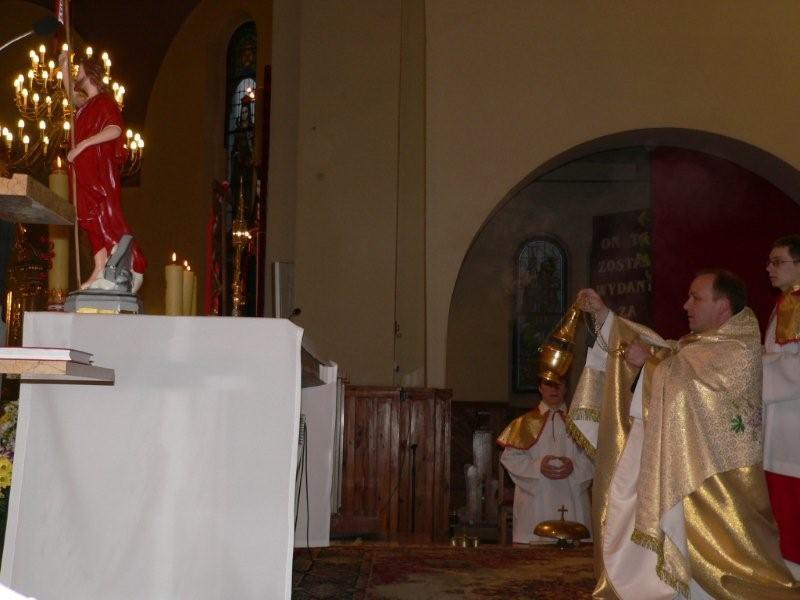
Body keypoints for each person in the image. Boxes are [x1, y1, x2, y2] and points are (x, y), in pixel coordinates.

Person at [570, 270, 799, 599]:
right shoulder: (698, 346)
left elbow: (694, 389)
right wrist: (605, 316)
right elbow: (664, 351)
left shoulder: (739, 348)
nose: (686, 305)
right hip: (694, 471)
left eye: (696, 298)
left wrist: (649, 365)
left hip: (721, 483)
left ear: (723, 306)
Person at [58, 51, 146, 292]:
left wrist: (82, 146)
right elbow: (71, 96)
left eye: (78, 70)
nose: (76, 73)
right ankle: (99, 267)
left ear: (89, 74)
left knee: (107, 217)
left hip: (100, 174)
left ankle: (134, 264)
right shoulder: (87, 105)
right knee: (90, 222)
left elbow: (115, 129)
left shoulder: (105, 102)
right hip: (84, 173)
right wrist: (64, 67)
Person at [497, 378, 593, 544]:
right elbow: (510, 458)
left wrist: (574, 467)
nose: (554, 389)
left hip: (572, 496)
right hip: (536, 500)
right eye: (549, 384)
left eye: (560, 383)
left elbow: (593, 457)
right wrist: (537, 467)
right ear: (540, 387)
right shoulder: (524, 423)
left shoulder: (581, 423)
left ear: (566, 388)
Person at [764, 235, 800, 576]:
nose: (769, 268)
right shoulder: (785, 303)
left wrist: (751, 371)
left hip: (794, 431)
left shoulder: (796, 304)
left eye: (778, 262)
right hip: (780, 426)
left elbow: (795, 370)